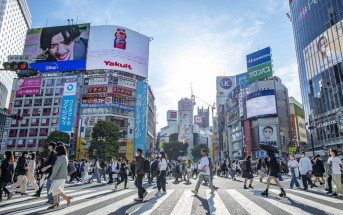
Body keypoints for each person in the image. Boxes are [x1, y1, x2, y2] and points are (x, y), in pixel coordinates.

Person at [48, 145, 72, 209]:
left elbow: (56, 167)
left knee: (56, 189)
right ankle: (55, 202)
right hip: (62, 175)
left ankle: (67, 198)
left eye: (56, 150)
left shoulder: (61, 157)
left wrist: (52, 176)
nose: (55, 151)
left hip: (59, 176)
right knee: (54, 189)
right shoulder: (65, 157)